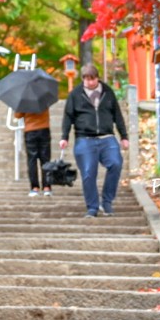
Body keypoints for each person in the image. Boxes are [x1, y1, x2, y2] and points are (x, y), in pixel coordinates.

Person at [58, 63, 128, 217]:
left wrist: (124, 136)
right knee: (89, 172)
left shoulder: (107, 92)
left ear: (97, 78)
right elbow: (68, 116)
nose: (90, 83)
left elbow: (117, 114)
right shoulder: (75, 94)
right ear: (82, 79)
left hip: (107, 137)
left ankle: (107, 201)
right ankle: (92, 207)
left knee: (116, 163)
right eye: (86, 79)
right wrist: (64, 136)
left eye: (92, 79)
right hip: (85, 138)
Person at [15, 108, 52, 196]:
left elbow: (17, 115)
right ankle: (47, 187)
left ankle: (34, 187)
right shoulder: (44, 98)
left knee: (32, 160)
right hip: (44, 129)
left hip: (30, 131)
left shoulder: (24, 101)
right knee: (45, 159)